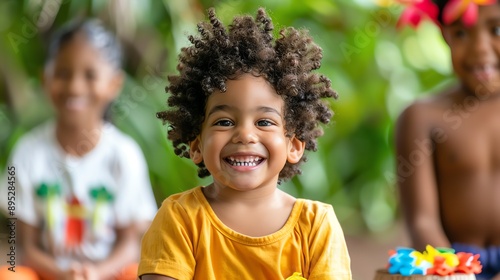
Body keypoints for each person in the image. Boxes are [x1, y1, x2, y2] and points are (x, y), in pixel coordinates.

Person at [138, 7, 352, 280]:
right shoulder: (179, 219)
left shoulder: (316, 226)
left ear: (294, 145)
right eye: (224, 122)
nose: (245, 135)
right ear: (196, 146)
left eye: (264, 122)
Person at [0, 19, 157, 280]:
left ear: (114, 84)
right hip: (48, 274)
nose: (74, 86)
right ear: (45, 80)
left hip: (108, 274)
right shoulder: (27, 153)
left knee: (143, 274)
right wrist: (62, 273)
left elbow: (130, 244)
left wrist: (95, 273)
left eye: (90, 75)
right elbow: (23, 246)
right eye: (62, 73)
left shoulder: (124, 154)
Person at [395, 0, 500, 279]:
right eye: (461, 33)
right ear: (444, 35)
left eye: (497, 30)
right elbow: (422, 221)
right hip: (448, 264)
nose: (480, 49)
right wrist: (452, 272)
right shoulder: (420, 117)